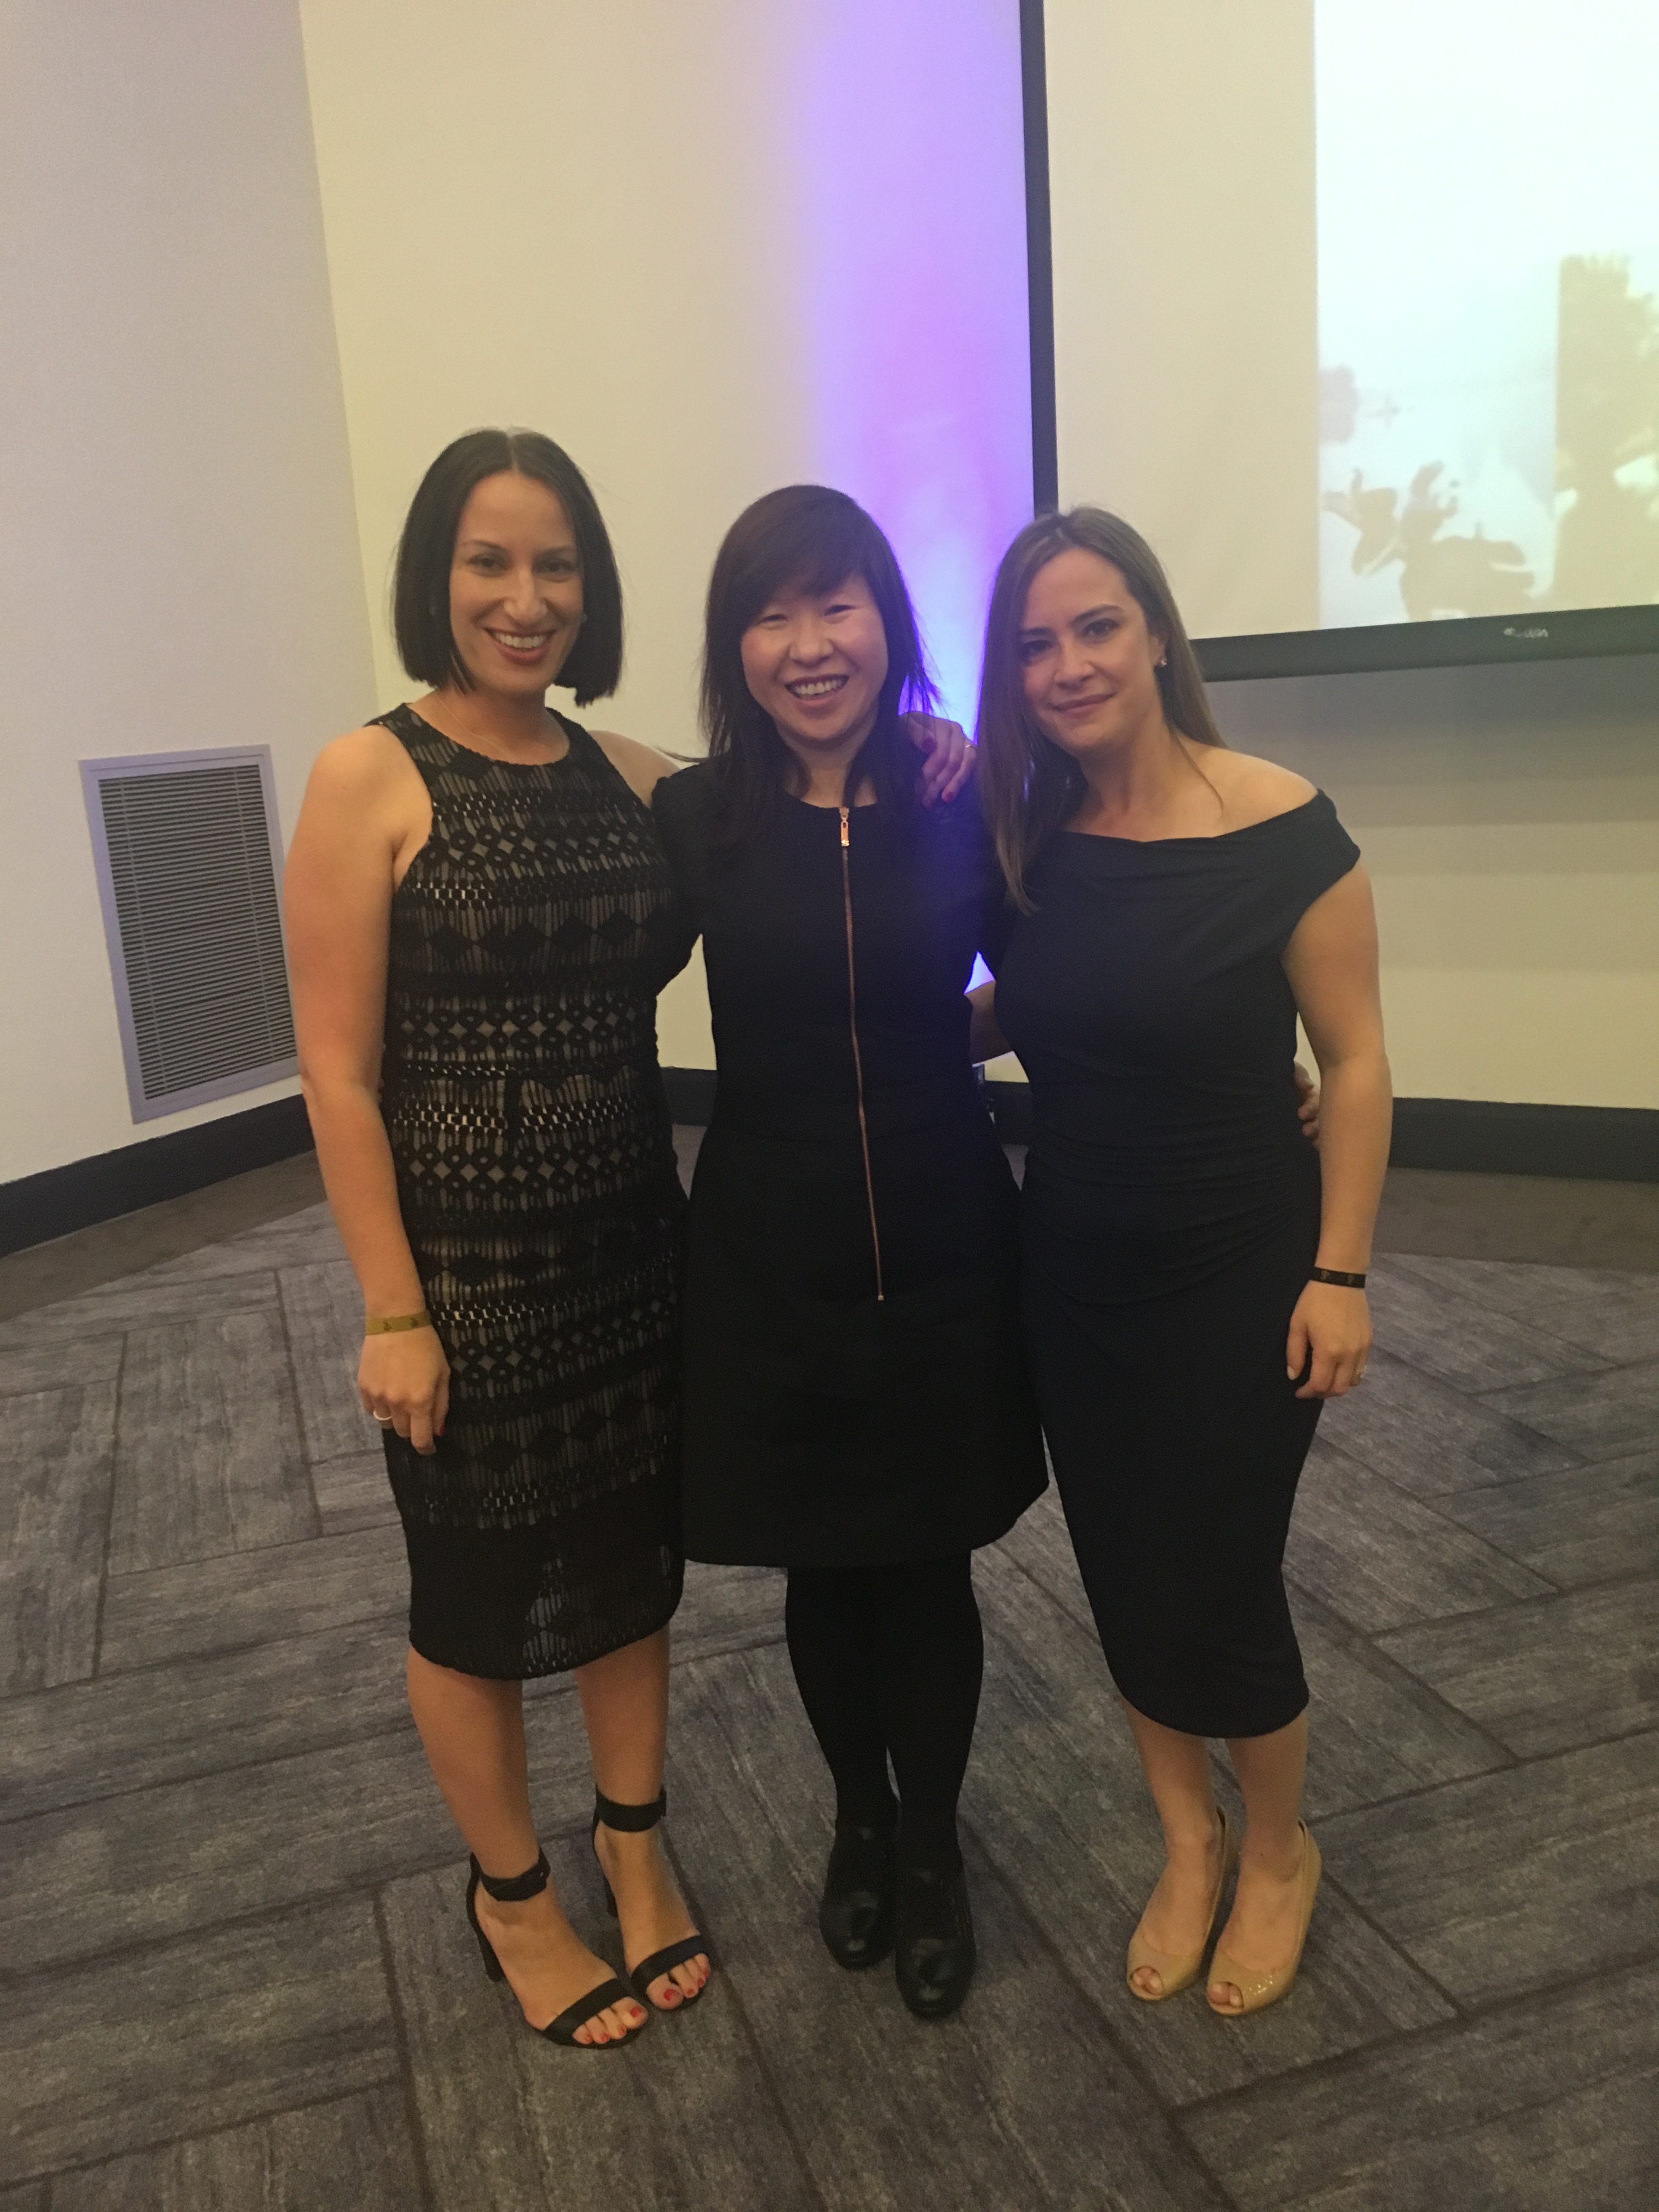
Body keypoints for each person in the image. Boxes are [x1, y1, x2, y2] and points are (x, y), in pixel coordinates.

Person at [285, 430, 970, 2052]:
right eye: (489, 563)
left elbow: (787, 795)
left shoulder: (625, 775)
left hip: (629, 1243)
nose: (526, 601)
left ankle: (639, 1851)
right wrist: (394, 1308)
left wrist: (932, 747)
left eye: (558, 569)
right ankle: (513, 1900)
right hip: (462, 1265)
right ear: (435, 580)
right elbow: (333, 1068)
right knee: (472, 1591)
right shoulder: (368, 774)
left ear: (592, 595)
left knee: (623, 1572)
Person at [973, 506, 1391, 2018]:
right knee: (1123, 1563)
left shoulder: (1282, 821)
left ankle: (1279, 1851)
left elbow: (1352, 1065)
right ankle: (1187, 1839)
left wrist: (1340, 1273)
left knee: (1217, 1574)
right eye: (1035, 645)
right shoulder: (1026, 841)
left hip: (1244, 1268)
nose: (1069, 663)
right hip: (1073, 1266)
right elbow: (1042, 999)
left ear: (1155, 630)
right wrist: (892, 1036)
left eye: (1095, 626)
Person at [651, 486, 1049, 2022]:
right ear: (732, 642)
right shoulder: (698, 818)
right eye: (771, 612)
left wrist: (1237, 1059)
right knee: (823, 1563)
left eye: (839, 606)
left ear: (889, 618)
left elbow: (1054, 966)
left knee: (928, 1557)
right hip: (771, 1248)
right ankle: (859, 1822)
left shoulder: (956, 793)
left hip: (949, 1232)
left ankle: (935, 1841)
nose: (809, 645)